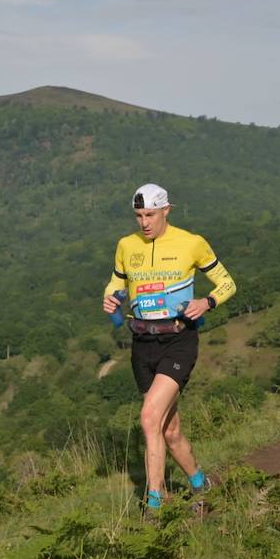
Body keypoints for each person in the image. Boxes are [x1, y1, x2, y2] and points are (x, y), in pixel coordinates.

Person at [103, 183, 236, 514]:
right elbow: (117, 283)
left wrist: (208, 301)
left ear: (166, 211)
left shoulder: (191, 243)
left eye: (150, 215)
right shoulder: (125, 245)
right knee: (168, 429)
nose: (144, 223)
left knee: (149, 418)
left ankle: (154, 504)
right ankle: (200, 483)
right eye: (138, 216)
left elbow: (228, 283)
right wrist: (111, 297)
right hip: (142, 343)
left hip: (179, 340)